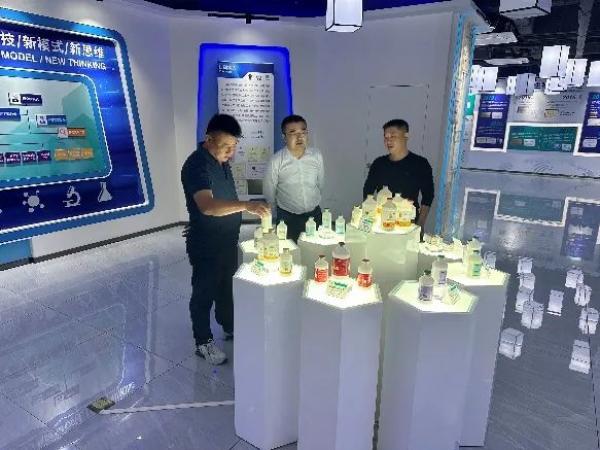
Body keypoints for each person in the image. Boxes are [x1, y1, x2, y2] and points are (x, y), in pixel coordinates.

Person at [181, 114, 270, 365]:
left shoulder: (222, 162)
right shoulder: (197, 165)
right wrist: (247, 206)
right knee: (204, 291)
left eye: (234, 146)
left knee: (227, 288)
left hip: (227, 240)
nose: (231, 153)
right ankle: (203, 342)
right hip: (207, 244)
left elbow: (224, 200)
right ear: (209, 139)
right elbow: (208, 206)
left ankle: (230, 326)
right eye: (225, 146)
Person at [363, 119, 434, 230]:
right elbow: (368, 191)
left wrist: (420, 224)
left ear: (406, 136)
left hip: (407, 222)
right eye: (386, 137)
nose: (388, 141)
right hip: (382, 221)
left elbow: (428, 196)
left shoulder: (420, 164)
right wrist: (368, 216)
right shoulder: (379, 163)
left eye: (393, 136)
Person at [264, 114, 325, 241]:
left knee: (316, 247)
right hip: (288, 217)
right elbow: (269, 191)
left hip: (314, 214)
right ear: (284, 137)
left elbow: (321, 183)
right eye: (293, 132)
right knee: (289, 249)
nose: (299, 137)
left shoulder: (316, 155)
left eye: (303, 132)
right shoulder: (276, 160)